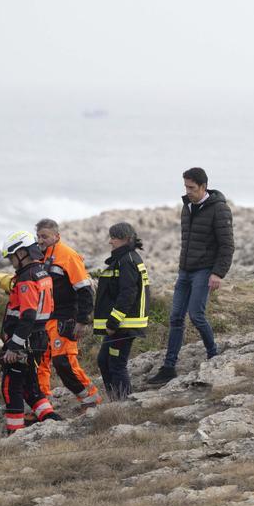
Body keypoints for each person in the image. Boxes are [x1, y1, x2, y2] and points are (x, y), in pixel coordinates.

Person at [146, 167, 235, 385]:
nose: (188, 191)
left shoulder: (220, 209)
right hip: (185, 270)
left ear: (203, 187)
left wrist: (217, 273)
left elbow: (227, 245)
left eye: (192, 187)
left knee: (196, 315)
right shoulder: (187, 207)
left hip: (204, 271)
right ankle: (169, 367)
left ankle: (213, 355)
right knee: (176, 317)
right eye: (186, 186)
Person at [35, 219, 101, 410]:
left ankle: (90, 399)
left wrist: (82, 320)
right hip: (44, 319)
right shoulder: (38, 257)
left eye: (45, 236)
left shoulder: (68, 255)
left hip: (65, 318)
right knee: (40, 363)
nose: (41, 240)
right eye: (38, 236)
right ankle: (42, 404)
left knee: (63, 362)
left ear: (57, 236)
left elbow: (85, 290)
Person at [0, 230, 58, 433]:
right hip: (39, 338)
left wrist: (14, 347)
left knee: (11, 388)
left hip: (24, 341)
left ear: (22, 253)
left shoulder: (26, 278)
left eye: (11, 257)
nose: (11, 262)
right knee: (30, 386)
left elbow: (28, 316)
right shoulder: (42, 272)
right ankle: (51, 419)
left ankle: (15, 432)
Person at [93, 222, 150, 399]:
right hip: (120, 324)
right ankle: (115, 400)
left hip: (124, 325)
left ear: (125, 239)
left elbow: (128, 294)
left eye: (114, 238)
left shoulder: (128, 261)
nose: (110, 242)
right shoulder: (124, 258)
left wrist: (113, 322)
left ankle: (124, 403)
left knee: (116, 364)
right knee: (104, 360)